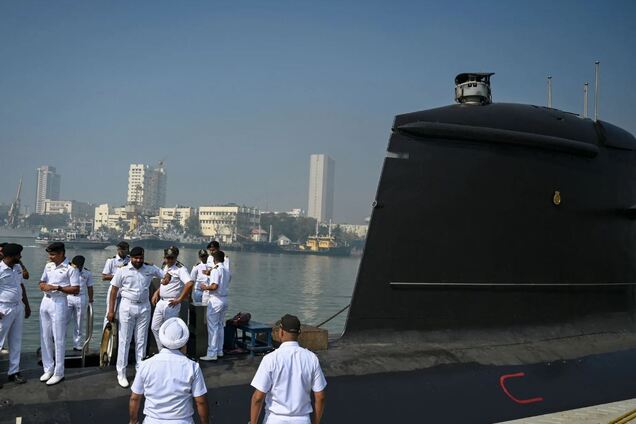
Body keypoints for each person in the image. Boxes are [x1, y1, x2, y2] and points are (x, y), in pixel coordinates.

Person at [130, 317, 209, 424]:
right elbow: (200, 402)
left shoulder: (146, 364)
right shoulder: (192, 366)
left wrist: (133, 421)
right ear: (184, 344)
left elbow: (135, 398)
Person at [250, 314, 327, 424]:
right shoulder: (312, 358)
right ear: (299, 333)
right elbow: (320, 397)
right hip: (302, 420)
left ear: (281, 332)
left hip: (275, 419)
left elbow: (258, 398)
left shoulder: (270, 359)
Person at [108, 246, 163, 388]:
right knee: (125, 340)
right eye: (136, 258)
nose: (138, 260)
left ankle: (141, 371)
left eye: (141, 258)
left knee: (141, 340)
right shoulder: (122, 270)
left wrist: (158, 290)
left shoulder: (150, 269)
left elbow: (166, 276)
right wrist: (111, 311)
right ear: (131, 258)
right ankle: (121, 372)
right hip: (127, 306)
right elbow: (114, 290)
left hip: (144, 307)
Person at [38, 242, 80, 386]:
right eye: (49, 254)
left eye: (53, 254)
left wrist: (58, 288)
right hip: (45, 301)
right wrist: (43, 286)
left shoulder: (71, 268)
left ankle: (59, 372)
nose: (50, 257)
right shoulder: (48, 266)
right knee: (45, 336)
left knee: (59, 338)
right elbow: (42, 281)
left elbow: (75, 289)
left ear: (61, 253)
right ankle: (48, 368)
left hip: (59, 302)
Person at [151, 246, 194, 351]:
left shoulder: (180, 269)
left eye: (172, 258)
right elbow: (164, 283)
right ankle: (162, 350)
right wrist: (157, 292)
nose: (169, 260)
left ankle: (171, 352)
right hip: (161, 301)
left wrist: (180, 299)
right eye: (167, 257)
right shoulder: (164, 266)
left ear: (176, 257)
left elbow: (189, 283)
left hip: (172, 303)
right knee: (155, 327)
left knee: (170, 331)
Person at [0, 243, 30, 386]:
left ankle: (14, 372)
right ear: (10, 256)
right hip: (3, 309)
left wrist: (27, 305)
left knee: (16, 341)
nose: (20, 257)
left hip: (18, 307)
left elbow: (21, 286)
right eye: (18, 255)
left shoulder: (17, 268)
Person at [199, 251, 231, 361]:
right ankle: (219, 350)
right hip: (225, 299)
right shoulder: (226, 270)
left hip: (216, 299)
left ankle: (212, 353)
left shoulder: (215, 270)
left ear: (214, 259)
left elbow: (214, 286)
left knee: (212, 327)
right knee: (220, 325)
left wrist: (205, 287)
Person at [67, 255, 94, 351]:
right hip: (68, 297)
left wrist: (91, 300)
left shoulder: (87, 273)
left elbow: (90, 287)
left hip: (80, 297)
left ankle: (77, 344)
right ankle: (59, 341)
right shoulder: (68, 270)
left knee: (79, 322)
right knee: (63, 320)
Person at [102, 241, 130, 331]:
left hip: (126, 289)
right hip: (115, 288)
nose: (123, 251)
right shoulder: (111, 261)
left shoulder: (130, 260)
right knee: (110, 312)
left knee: (123, 313)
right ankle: (106, 333)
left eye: (125, 249)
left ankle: (118, 334)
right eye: (121, 249)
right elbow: (104, 276)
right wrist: (118, 276)